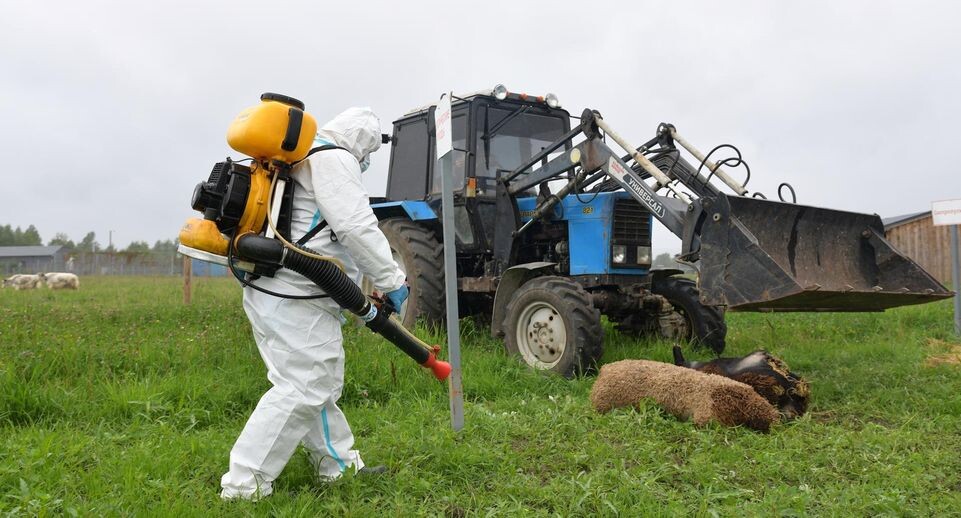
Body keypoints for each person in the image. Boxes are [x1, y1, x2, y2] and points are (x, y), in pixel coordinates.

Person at [220, 107, 409, 500]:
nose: (367, 161)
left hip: (272, 288)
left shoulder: (298, 157)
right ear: (361, 143)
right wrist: (392, 280)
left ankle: (337, 466)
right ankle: (243, 485)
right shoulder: (334, 159)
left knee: (316, 383)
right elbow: (355, 227)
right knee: (303, 386)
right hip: (297, 294)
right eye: (369, 152)